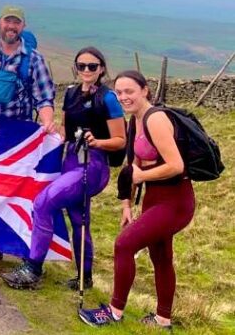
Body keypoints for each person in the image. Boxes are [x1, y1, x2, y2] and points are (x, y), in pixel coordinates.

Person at [0, 47, 125, 289]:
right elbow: (67, 133)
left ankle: (33, 269)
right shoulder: (70, 94)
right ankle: (85, 277)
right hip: (70, 161)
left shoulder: (108, 98)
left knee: (43, 202)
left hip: (93, 164)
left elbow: (120, 140)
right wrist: (51, 130)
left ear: (101, 69)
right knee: (79, 219)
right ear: (75, 68)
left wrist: (97, 141)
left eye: (92, 66)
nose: (86, 70)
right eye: (81, 66)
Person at [79, 70, 195, 331]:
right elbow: (132, 167)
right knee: (161, 256)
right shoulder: (135, 120)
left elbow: (176, 165)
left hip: (175, 200)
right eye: (119, 93)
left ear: (145, 90)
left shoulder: (155, 119)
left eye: (129, 91)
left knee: (124, 244)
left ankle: (114, 311)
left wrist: (143, 175)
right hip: (155, 198)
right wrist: (126, 204)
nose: (123, 97)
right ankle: (163, 319)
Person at [0, 5, 56, 267]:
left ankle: (17, 242)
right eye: (7, 21)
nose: (11, 27)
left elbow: (44, 97)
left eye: (16, 23)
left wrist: (48, 122)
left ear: (23, 26)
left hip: (17, 137)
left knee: (13, 191)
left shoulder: (34, 60)